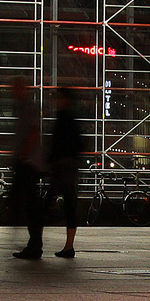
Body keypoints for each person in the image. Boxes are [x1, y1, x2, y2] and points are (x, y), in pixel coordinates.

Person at [26, 87, 86, 259]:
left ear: (64, 99)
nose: (55, 101)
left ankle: (35, 244)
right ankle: (68, 246)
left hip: (62, 167)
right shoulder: (72, 119)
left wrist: (49, 162)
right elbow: (80, 144)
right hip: (69, 167)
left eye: (58, 98)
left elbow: (56, 144)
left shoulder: (63, 118)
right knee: (68, 206)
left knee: (45, 206)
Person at [7, 77, 48, 259]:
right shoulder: (24, 108)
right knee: (29, 203)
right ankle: (34, 243)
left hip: (28, 163)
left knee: (28, 203)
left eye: (15, 88)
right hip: (27, 162)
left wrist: (23, 154)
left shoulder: (28, 108)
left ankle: (34, 244)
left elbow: (33, 132)